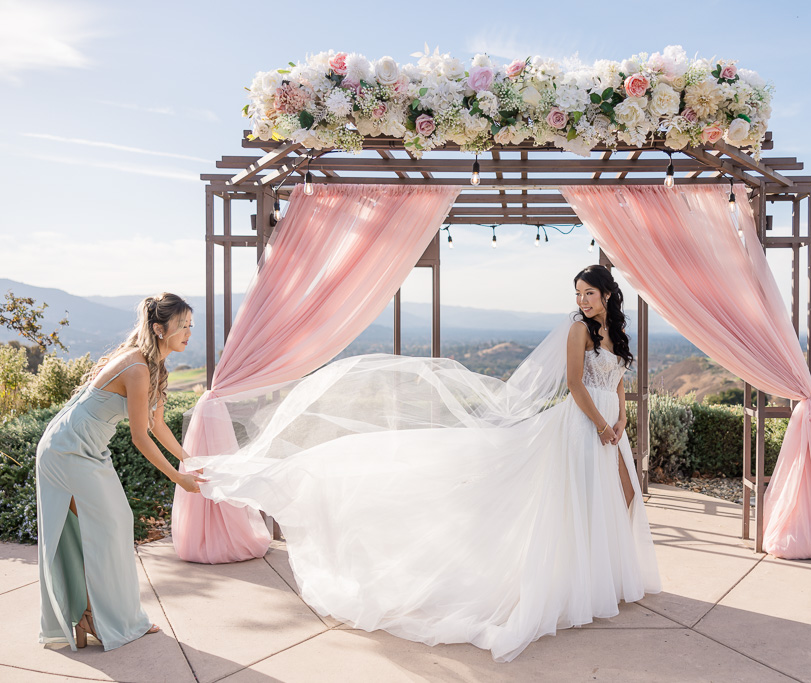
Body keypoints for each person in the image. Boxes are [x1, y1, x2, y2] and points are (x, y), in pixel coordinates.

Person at [193, 265, 661, 661]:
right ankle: (572, 582)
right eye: (578, 294)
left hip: (609, 429)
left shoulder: (615, 332)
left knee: (617, 498)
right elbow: (577, 385)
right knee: (577, 502)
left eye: (590, 294)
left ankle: (606, 579)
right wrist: (600, 423)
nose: (582, 301)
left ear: (608, 295)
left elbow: (617, 380)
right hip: (581, 426)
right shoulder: (577, 328)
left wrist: (620, 422)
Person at [36, 293, 207, 651]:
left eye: (191, 324)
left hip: (87, 451)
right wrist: (178, 478)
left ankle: (93, 616)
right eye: (183, 325)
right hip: (66, 451)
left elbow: (157, 425)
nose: (189, 332)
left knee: (112, 525)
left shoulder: (156, 366)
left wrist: (187, 459)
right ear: (159, 329)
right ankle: (102, 617)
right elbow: (139, 436)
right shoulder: (137, 367)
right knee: (110, 526)